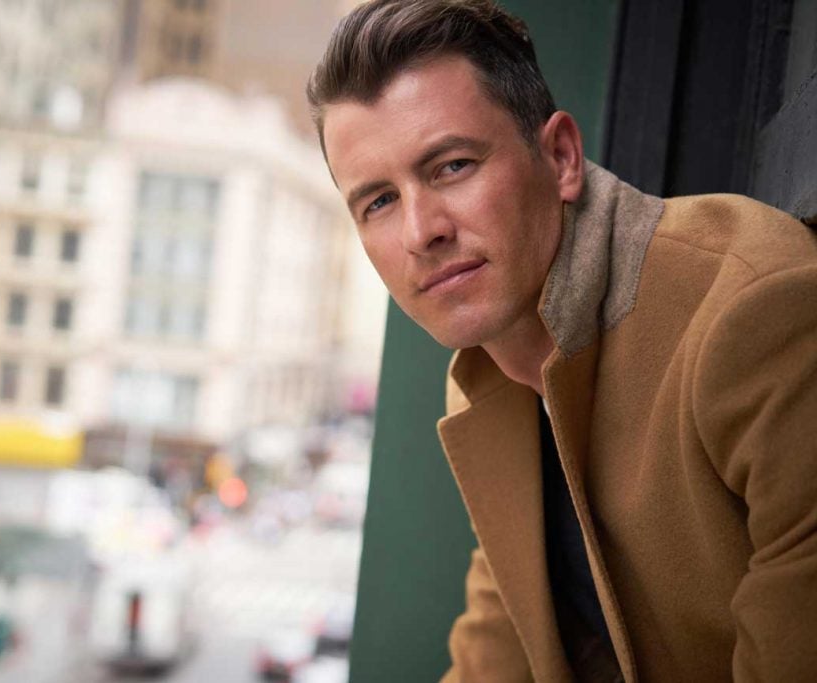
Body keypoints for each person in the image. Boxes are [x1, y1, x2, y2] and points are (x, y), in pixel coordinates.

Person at [306, 1, 817, 681]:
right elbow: (502, 642)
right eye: (378, 201)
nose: (421, 231)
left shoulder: (752, 310)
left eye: (452, 166)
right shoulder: (490, 383)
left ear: (561, 157)